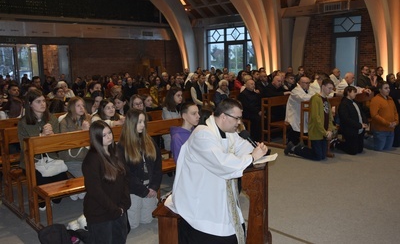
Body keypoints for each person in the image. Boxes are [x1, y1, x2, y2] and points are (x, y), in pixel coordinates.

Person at [165, 98, 268, 244]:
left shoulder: (228, 132)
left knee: (234, 226)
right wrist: (252, 157)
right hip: (200, 195)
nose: (239, 122)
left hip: (218, 189)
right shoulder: (202, 134)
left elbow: (242, 146)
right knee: (218, 232)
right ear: (224, 116)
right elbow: (222, 164)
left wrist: (257, 150)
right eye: (237, 118)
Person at [17, 89, 68, 210]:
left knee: (59, 194)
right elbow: (24, 147)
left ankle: (50, 196)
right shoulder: (23, 123)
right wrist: (41, 136)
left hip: (51, 158)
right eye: (38, 101)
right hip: (32, 161)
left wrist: (52, 136)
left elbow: (58, 143)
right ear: (30, 104)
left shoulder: (52, 119)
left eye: (44, 101)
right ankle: (41, 199)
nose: (43, 104)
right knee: (41, 180)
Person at [82, 121, 130, 244]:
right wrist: (114, 209)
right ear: (96, 138)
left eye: (109, 132)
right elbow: (95, 191)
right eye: (104, 135)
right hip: (100, 213)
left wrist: (124, 204)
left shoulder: (116, 151)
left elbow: (123, 179)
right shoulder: (91, 160)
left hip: (118, 209)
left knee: (120, 240)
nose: (109, 137)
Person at [118, 109, 162, 229]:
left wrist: (153, 187)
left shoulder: (149, 141)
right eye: (139, 122)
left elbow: (158, 166)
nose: (143, 125)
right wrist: (143, 191)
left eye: (144, 121)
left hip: (150, 187)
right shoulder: (122, 146)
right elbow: (126, 174)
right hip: (134, 189)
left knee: (147, 220)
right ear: (131, 124)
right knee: (133, 224)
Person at [285, 79, 336, 161]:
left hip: (324, 131)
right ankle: (295, 149)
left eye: (332, 89)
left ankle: (301, 148)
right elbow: (315, 118)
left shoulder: (326, 100)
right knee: (318, 157)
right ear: (323, 87)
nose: (330, 91)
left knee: (323, 156)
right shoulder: (316, 98)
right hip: (317, 131)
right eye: (329, 88)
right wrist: (324, 132)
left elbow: (330, 117)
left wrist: (330, 129)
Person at [332, 86, 368, 155]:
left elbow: (361, 113)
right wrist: (359, 125)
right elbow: (345, 119)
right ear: (348, 92)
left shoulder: (355, 102)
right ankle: (338, 144)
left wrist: (365, 122)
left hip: (359, 128)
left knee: (359, 150)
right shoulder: (344, 104)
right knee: (353, 151)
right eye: (354, 92)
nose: (355, 94)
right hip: (350, 129)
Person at [285, 76, 315, 145]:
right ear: (300, 83)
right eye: (306, 83)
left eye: (309, 83)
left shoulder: (309, 89)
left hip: (304, 113)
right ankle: (291, 143)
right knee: (297, 126)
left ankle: (305, 141)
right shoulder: (295, 91)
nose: (308, 85)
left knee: (306, 125)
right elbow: (303, 98)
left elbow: (314, 95)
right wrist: (314, 96)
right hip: (295, 114)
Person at [369, 81, 399, 151]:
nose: (388, 89)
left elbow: (395, 112)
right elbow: (374, 115)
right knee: (379, 149)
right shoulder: (375, 100)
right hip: (380, 130)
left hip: (391, 129)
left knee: (387, 150)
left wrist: (396, 122)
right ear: (380, 90)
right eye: (386, 88)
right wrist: (387, 123)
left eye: (388, 88)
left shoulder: (390, 99)